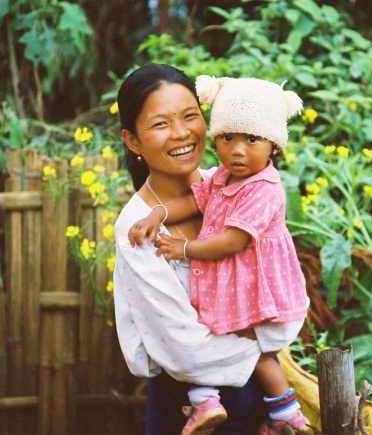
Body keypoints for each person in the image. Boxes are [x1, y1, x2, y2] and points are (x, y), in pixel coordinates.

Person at [128, 75, 311, 435]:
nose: (238, 150)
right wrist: (157, 214)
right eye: (227, 138)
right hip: (230, 287)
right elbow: (195, 199)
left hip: (252, 288)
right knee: (212, 324)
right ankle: (208, 402)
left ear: (274, 145)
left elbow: (232, 242)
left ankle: (285, 412)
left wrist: (183, 248)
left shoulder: (263, 189)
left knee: (254, 347)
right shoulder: (224, 178)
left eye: (252, 139)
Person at [113, 64, 269, 435]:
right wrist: (267, 349)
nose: (182, 133)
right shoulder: (136, 230)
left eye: (190, 116)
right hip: (189, 413)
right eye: (161, 124)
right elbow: (185, 350)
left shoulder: (236, 187)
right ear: (133, 141)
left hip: (263, 405)